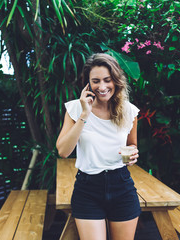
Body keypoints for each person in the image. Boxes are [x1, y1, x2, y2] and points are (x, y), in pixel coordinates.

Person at [56, 53, 141, 240]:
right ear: (88, 84)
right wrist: (85, 114)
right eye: (95, 81)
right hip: (88, 189)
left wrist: (133, 154)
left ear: (116, 81)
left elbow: (132, 145)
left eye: (107, 80)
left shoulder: (129, 111)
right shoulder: (75, 109)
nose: (102, 87)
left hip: (122, 186)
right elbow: (63, 151)